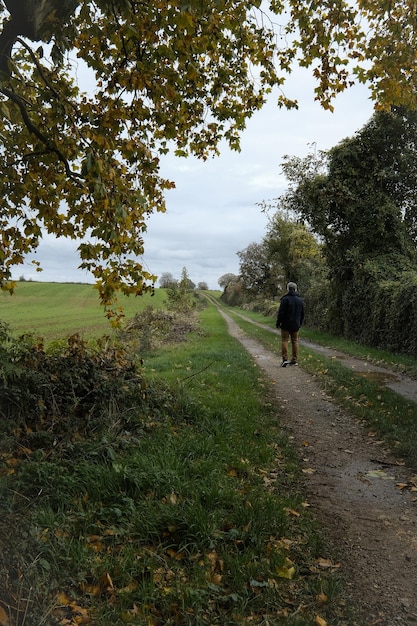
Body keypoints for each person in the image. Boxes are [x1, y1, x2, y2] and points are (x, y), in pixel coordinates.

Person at [276, 282, 304, 367]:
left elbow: (281, 313)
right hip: (295, 324)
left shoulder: (285, 299)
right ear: (295, 289)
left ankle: (285, 359)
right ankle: (294, 360)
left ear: (288, 289)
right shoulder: (300, 300)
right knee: (295, 341)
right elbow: (302, 313)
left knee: (284, 340)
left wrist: (278, 322)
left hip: (285, 324)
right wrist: (300, 323)